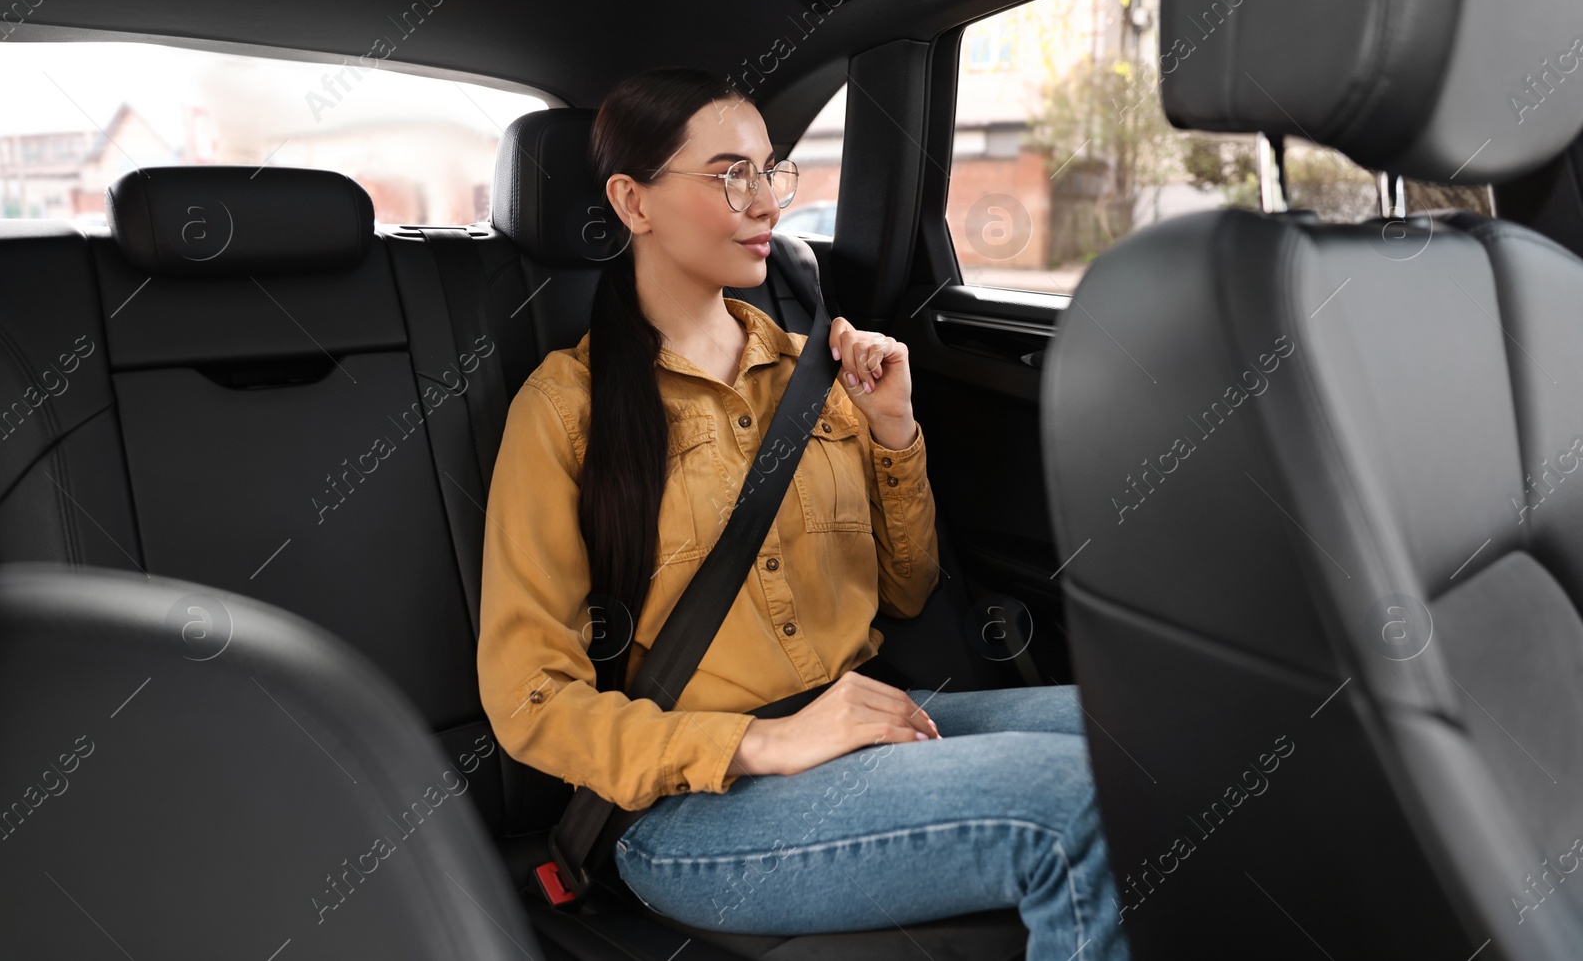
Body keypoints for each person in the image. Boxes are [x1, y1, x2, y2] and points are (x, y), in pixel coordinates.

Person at [478, 67, 1128, 960]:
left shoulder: (814, 370)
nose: (766, 202)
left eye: (770, 171)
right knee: (1080, 806)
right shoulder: (564, 410)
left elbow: (906, 591)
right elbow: (531, 701)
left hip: (865, 724)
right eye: (728, 175)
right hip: (691, 811)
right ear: (633, 202)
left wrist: (894, 430)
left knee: (1163, 738)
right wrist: (765, 741)